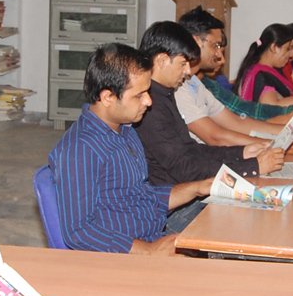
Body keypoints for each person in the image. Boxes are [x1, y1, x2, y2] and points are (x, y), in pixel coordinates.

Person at [47, 42, 214, 253]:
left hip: (152, 233)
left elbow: (141, 195)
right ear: (108, 97)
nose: (149, 101)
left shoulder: (126, 130)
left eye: (148, 92)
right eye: (139, 95)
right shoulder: (81, 149)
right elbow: (79, 231)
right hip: (125, 254)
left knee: (224, 229)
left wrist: (199, 187)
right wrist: (148, 250)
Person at [135, 21, 286, 231]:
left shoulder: (164, 94)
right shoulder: (151, 105)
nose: (188, 71)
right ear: (161, 60)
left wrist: (242, 153)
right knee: (261, 223)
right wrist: (253, 166)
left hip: (188, 197)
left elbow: (192, 149)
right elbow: (186, 169)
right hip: (172, 212)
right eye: (183, 64)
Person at [176, 8, 293, 150]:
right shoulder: (178, 87)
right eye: (215, 46)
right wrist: (281, 145)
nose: (221, 58)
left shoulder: (195, 83)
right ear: (196, 42)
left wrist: (292, 133)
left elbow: (237, 123)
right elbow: (216, 137)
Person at [233, 23, 293, 105]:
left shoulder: (270, 70)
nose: (289, 54)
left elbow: (287, 94)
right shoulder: (261, 75)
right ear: (274, 47)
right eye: (288, 49)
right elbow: (271, 105)